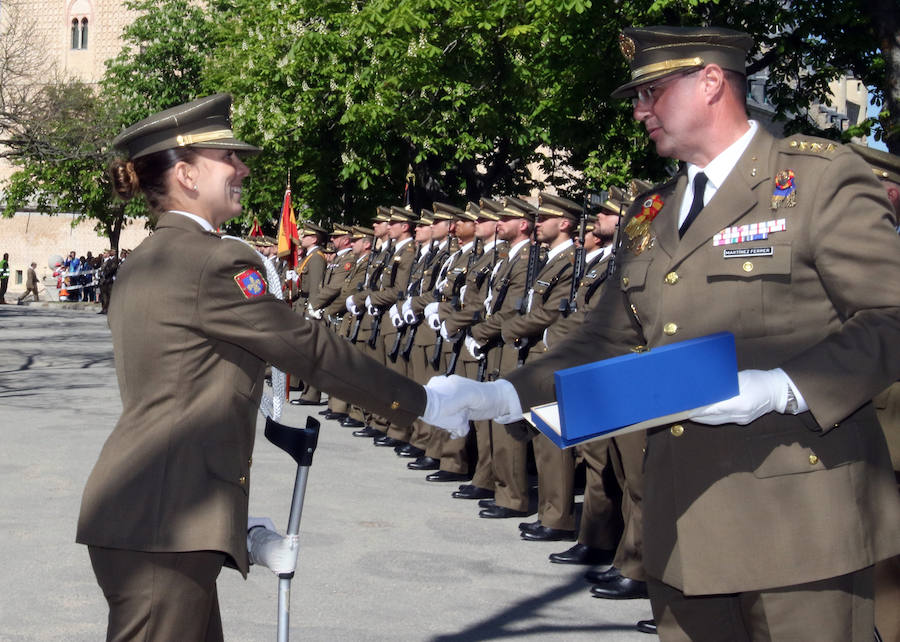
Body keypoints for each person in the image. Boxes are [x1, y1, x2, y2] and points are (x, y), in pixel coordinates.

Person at [424, 26, 900, 641]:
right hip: (682, 522)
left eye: (652, 91)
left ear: (710, 81)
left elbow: (890, 315)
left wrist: (785, 385)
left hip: (798, 523)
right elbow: (605, 338)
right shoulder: (652, 213)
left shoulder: (816, 180)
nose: (639, 110)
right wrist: (506, 395)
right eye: (635, 97)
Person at [76, 94, 430, 641]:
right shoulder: (215, 259)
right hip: (167, 521)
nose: (243, 168)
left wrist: (232, 522)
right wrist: (425, 403)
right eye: (229, 158)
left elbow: (184, 389)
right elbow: (308, 349)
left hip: (160, 512)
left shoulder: (149, 257)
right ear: (188, 175)